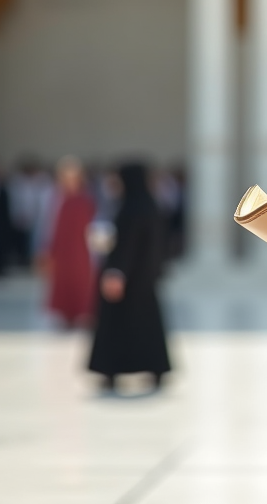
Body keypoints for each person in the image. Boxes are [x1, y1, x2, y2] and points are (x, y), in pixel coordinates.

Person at [87, 163, 171, 391]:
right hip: (144, 280)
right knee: (147, 326)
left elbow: (128, 245)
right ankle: (155, 368)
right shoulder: (149, 205)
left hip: (125, 280)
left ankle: (111, 370)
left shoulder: (132, 207)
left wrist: (116, 272)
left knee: (117, 326)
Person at [40, 157, 97, 328]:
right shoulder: (54, 198)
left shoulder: (86, 199)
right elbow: (47, 225)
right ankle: (65, 314)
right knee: (62, 281)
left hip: (81, 251)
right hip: (61, 250)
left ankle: (82, 313)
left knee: (81, 281)